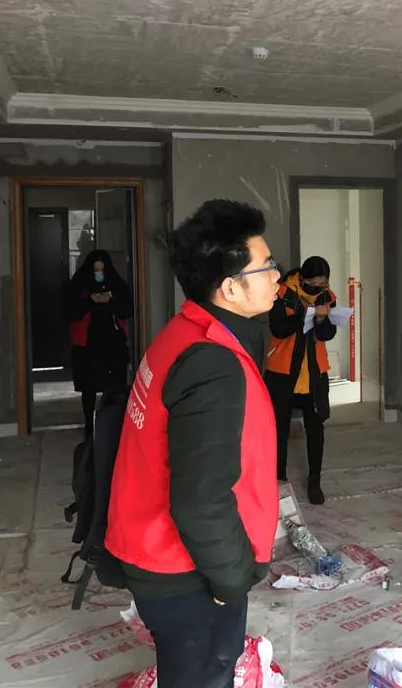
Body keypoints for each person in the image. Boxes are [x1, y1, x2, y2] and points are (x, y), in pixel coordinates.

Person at [106, 200, 281, 688]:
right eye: (266, 266)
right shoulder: (212, 363)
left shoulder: (183, 333)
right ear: (230, 287)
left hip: (161, 555)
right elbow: (202, 499)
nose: (277, 276)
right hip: (186, 570)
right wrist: (231, 579)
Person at [264, 256, 337, 505]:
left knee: (316, 428)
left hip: (315, 373)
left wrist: (321, 320)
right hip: (282, 372)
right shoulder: (282, 293)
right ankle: (278, 481)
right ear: (303, 279)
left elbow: (327, 334)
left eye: (322, 284)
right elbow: (278, 328)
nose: (318, 288)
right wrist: (304, 315)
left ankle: (315, 480)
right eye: (314, 284)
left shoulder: (328, 297)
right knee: (279, 428)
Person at [64, 249, 132, 435]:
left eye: (102, 270)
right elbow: (69, 312)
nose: (99, 274)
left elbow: (126, 310)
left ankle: (114, 425)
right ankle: (89, 427)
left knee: (114, 387)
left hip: (113, 345)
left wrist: (111, 301)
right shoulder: (79, 286)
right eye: (96, 270)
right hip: (87, 347)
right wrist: (90, 301)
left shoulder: (117, 285)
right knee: (89, 388)